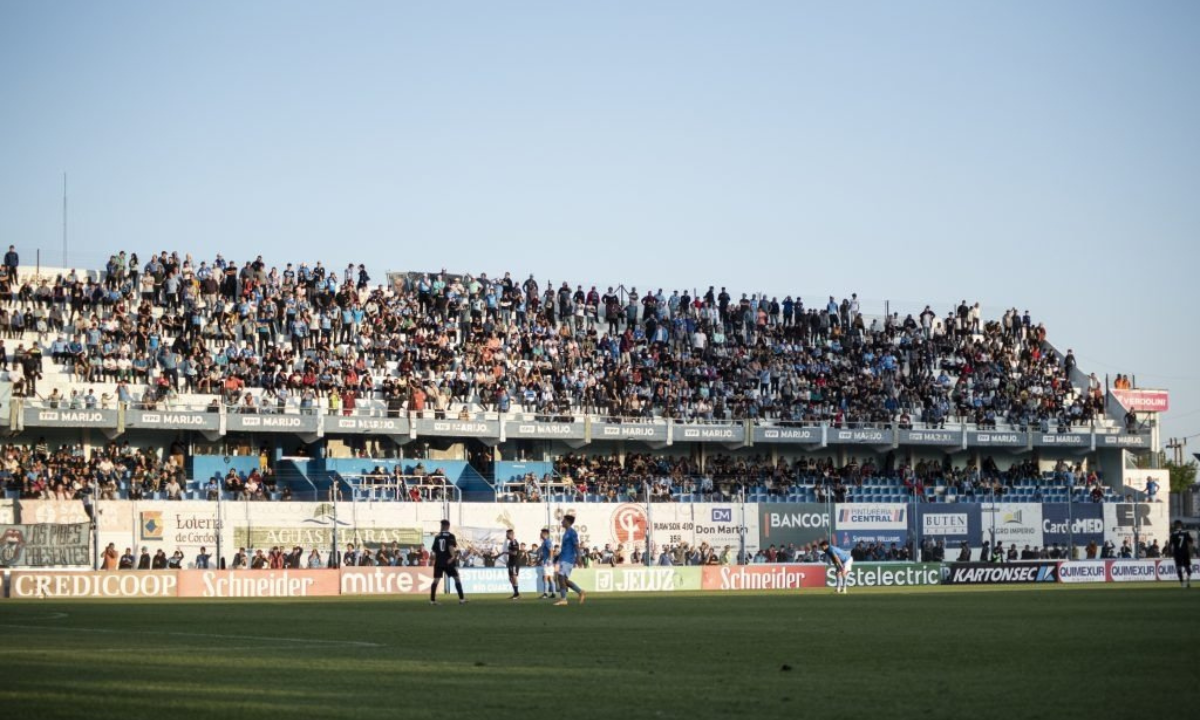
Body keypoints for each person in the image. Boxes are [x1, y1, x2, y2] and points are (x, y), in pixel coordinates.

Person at [429, 519, 466, 605]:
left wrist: (433, 559)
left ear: (443, 526)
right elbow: (450, 546)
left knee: (436, 580)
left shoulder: (437, 537)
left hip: (439, 561)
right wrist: (453, 557)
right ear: (448, 526)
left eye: (441, 525)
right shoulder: (450, 536)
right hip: (448, 561)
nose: (441, 527)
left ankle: (432, 600)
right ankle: (461, 599)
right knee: (456, 578)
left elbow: (434, 550)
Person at [554, 514, 586, 606]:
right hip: (563, 558)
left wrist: (579, 557)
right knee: (564, 580)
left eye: (563, 520)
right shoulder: (566, 532)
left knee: (560, 577)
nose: (562, 522)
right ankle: (580, 592)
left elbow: (576, 545)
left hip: (568, 559)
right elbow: (565, 547)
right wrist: (559, 559)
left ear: (568, 521)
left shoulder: (572, 532)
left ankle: (564, 599)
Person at [1169, 521, 1193, 588]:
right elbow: (1191, 541)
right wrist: (1190, 550)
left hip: (1177, 553)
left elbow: (1170, 545)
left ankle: (1182, 584)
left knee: (1179, 568)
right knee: (1188, 567)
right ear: (1181, 526)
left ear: (1176, 525)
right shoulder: (1186, 533)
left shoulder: (1173, 534)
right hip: (1185, 552)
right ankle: (1188, 580)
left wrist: (1170, 553)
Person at [502, 528, 522, 600]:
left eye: (507, 534)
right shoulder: (510, 543)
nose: (506, 535)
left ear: (511, 534)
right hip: (511, 562)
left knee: (514, 576)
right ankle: (515, 593)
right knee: (511, 578)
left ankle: (517, 594)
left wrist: (506, 552)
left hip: (514, 562)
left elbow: (515, 553)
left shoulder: (514, 542)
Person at [537, 528, 556, 599]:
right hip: (547, 561)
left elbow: (551, 550)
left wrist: (550, 560)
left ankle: (545, 594)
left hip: (547, 562)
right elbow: (545, 552)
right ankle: (553, 593)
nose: (540, 535)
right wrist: (539, 560)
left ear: (545, 534)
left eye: (541, 533)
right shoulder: (545, 541)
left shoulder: (547, 541)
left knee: (545, 578)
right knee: (550, 578)